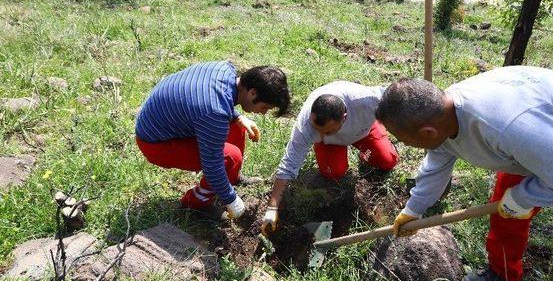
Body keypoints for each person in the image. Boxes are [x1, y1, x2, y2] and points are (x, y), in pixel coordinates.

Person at [375, 66, 553, 281]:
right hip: (540, 146)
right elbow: (437, 163)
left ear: (427, 132)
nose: (403, 144)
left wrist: (525, 197)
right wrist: (413, 208)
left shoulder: (505, 126)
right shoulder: (442, 113)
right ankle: (503, 274)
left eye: (403, 139)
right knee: (505, 212)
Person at [136, 61, 290, 220]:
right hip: (156, 143)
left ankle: (231, 177)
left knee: (236, 127)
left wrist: (237, 116)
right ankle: (197, 203)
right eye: (265, 107)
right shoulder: (214, 113)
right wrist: (231, 199)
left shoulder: (225, 69)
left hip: (166, 122)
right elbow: (212, 165)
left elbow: (209, 98)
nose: (264, 113)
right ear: (252, 93)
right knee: (230, 157)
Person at [261, 81, 399, 235]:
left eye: (327, 131)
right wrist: (272, 208)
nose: (319, 135)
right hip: (331, 144)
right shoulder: (306, 125)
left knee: (388, 160)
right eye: (317, 130)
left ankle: (366, 152)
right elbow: (288, 164)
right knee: (333, 173)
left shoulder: (367, 100)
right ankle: (338, 147)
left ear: (344, 118)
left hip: (364, 131)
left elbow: (401, 95)